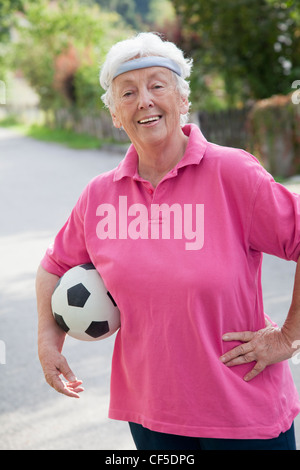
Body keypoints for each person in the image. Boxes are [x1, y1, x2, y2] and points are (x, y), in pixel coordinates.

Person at [36, 32, 300, 450]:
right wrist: (48, 342)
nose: (144, 100)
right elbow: (54, 265)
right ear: (115, 116)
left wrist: (287, 337)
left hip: (243, 419)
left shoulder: (234, 174)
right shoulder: (100, 195)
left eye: (158, 85)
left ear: (182, 100)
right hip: (151, 419)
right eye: (128, 92)